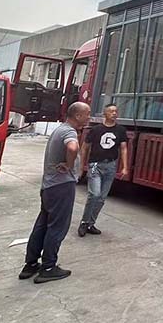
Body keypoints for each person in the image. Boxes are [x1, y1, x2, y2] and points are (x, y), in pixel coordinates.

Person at [19, 101, 91, 283]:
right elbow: (73, 147)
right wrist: (69, 165)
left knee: (42, 225)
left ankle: (31, 264)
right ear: (78, 116)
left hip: (49, 187)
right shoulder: (69, 132)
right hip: (61, 186)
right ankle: (48, 267)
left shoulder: (59, 129)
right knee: (57, 227)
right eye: (87, 114)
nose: (89, 117)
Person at [77, 102, 129, 237]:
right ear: (104, 114)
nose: (114, 113)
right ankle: (84, 222)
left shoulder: (121, 130)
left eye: (116, 111)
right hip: (95, 165)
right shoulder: (96, 130)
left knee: (101, 198)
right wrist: (82, 166)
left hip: (110, 166)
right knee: (94, 194)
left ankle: (91, 223)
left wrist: (125, 167)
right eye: (111, 111)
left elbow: (123, 148)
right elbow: (85, 147)